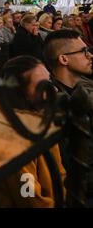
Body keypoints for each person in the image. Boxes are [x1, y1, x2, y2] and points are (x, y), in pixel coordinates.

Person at [0, 55, 66, 208]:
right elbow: (30, 198)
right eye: (42, 86)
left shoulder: (40, 121)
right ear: (20, 94)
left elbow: (60, 174)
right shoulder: (13, 139)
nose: (54, 89)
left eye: (49, 81)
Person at [43, 29, 93, 205]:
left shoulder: (86, 87)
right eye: (84, 52)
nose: (90, 56)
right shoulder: (50, 103)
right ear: (63, 59)